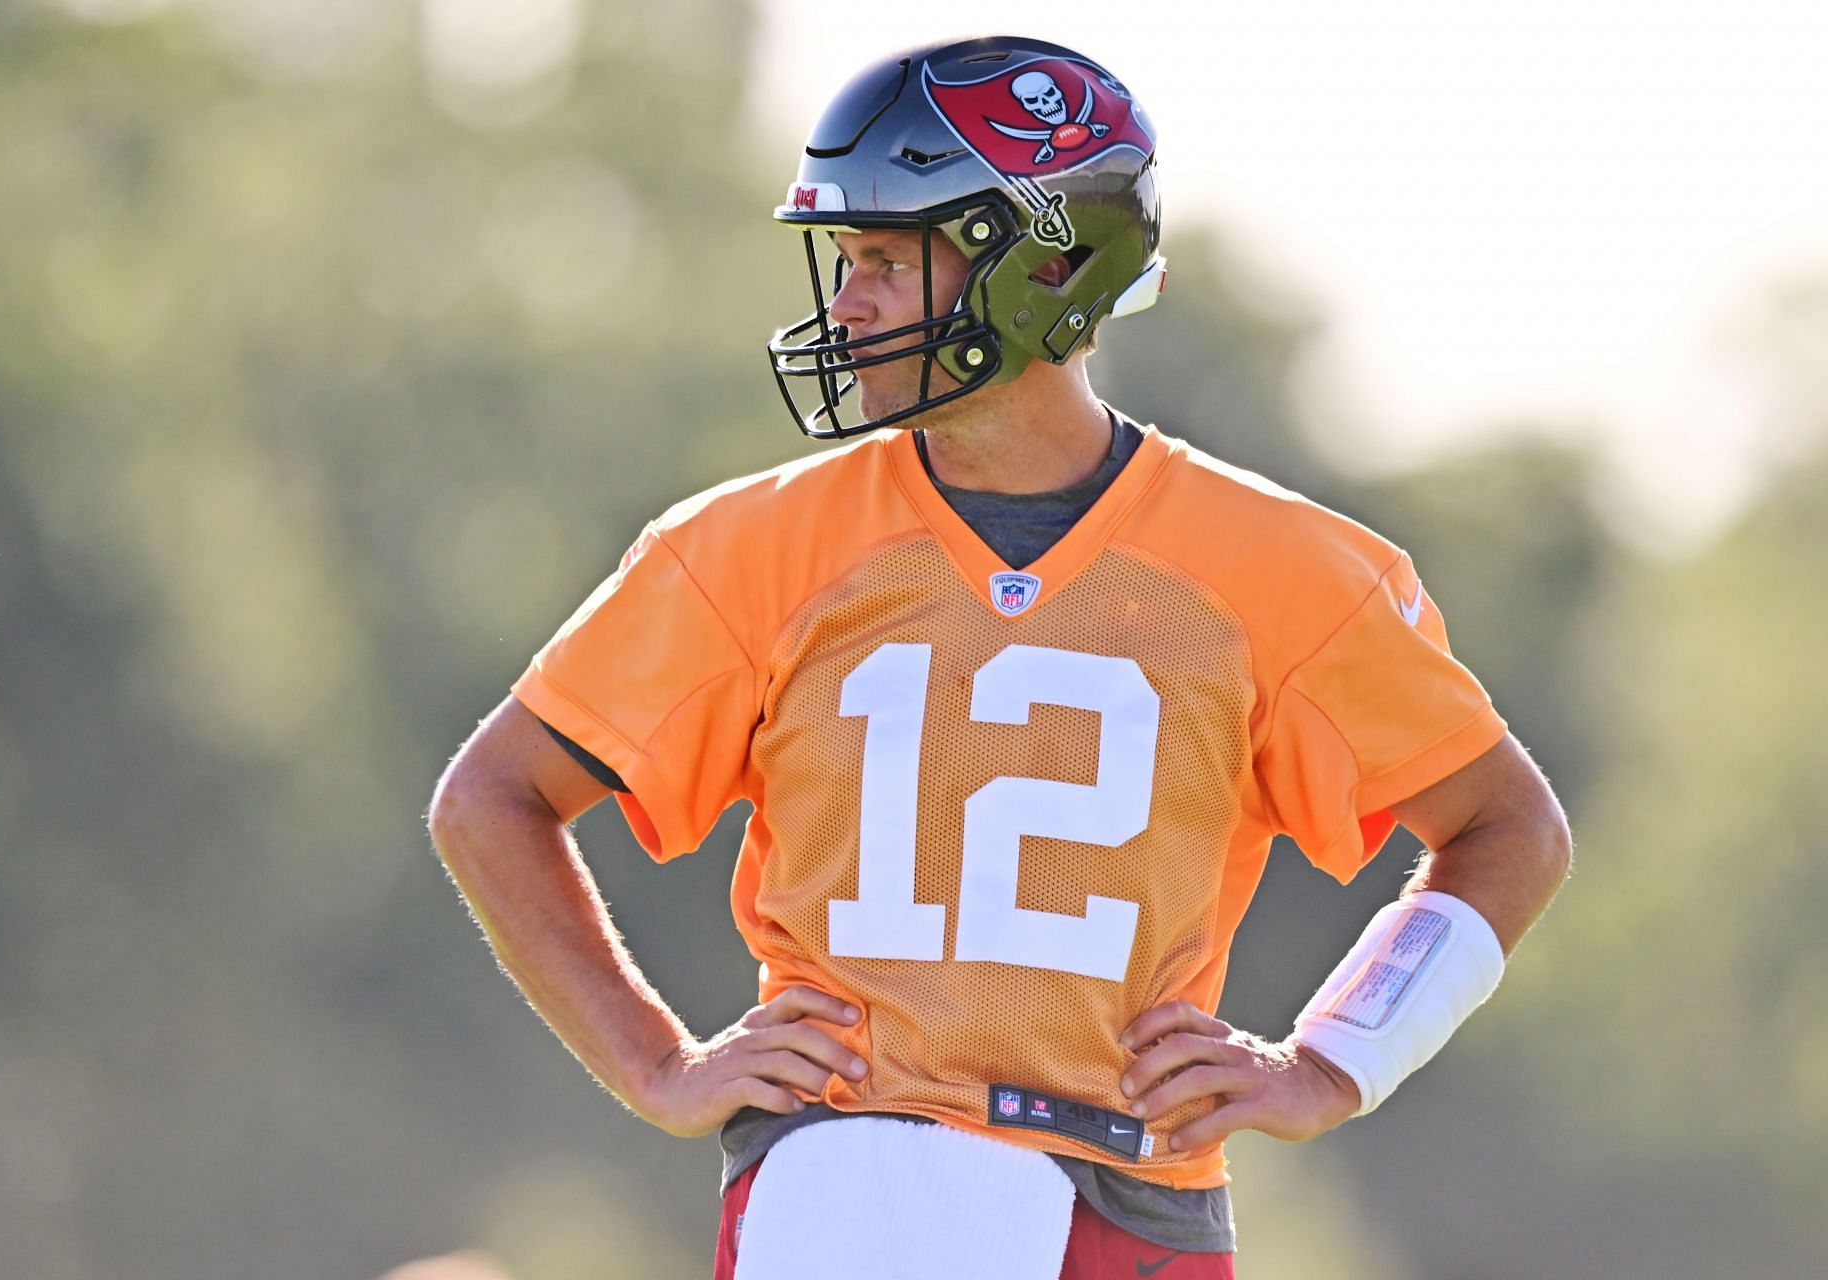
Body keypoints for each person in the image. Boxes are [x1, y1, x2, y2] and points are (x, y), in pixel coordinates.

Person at [427, 34, 1571, 1280]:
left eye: (881, 259)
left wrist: (1334, 1059)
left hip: (1129, 1196)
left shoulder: (1280, 568)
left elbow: (1509, 827)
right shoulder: (752, 547)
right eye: (844, 260)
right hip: (849, 1181)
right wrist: (656, 1059)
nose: (844, 300)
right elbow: (493, 796)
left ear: (1039, 268)